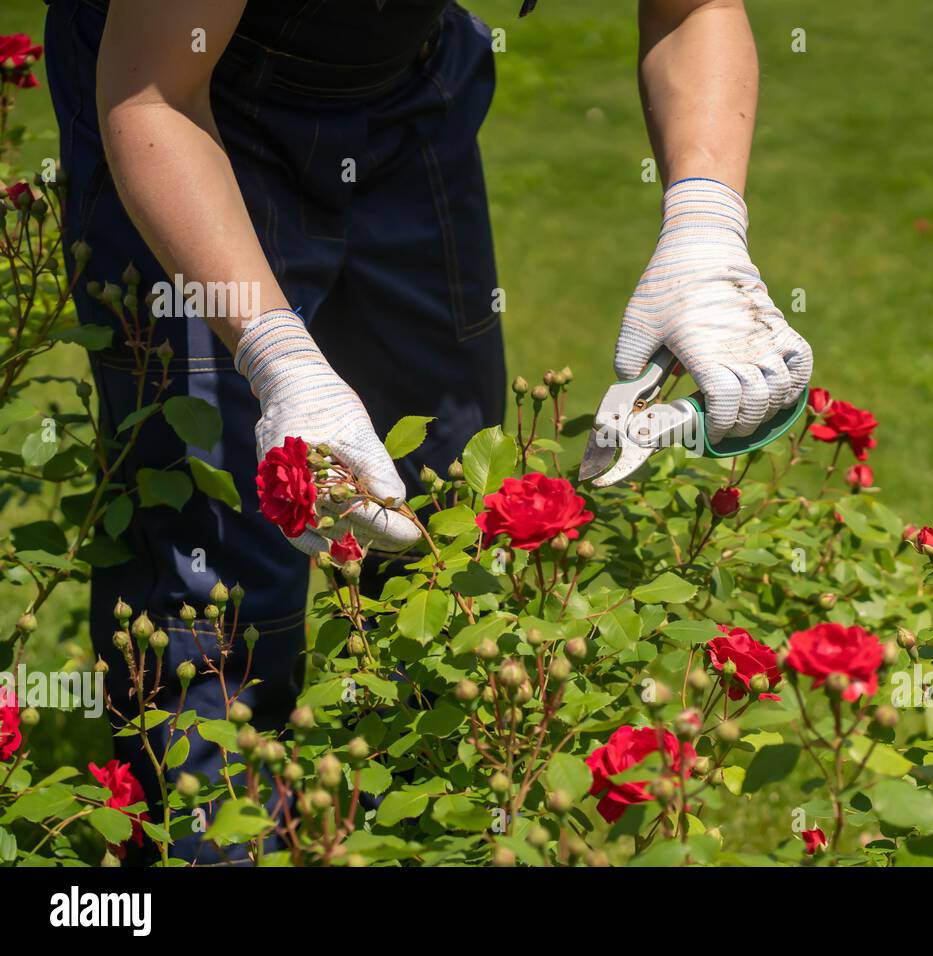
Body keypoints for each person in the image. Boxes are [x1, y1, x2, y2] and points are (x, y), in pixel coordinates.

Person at [44, 0, 813, 861]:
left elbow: (693, 9)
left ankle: (422, 833)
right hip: (188, 103)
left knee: (444, 522)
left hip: (401, 92)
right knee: (216, 589)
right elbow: (152, 94)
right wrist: (279, 360)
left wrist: (707, 222)